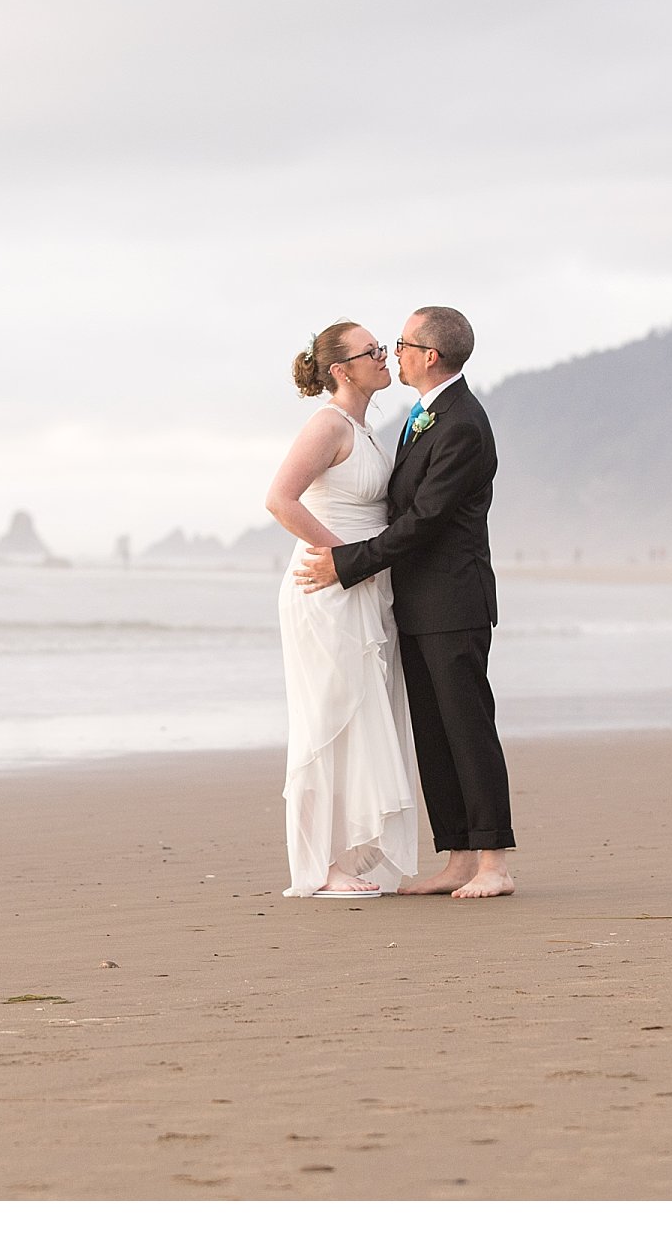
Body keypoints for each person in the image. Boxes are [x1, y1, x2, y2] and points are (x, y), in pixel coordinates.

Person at [293, 306, 516, 899]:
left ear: (429, 355)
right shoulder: (421, 416)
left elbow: (424, 521)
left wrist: (347, 563)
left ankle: (494, 862)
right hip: (413, 602)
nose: (394, 353)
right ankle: (460, 859)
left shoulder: (463, 422)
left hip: (453, 601)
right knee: (434, 733)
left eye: (401, 343)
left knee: (467, 728)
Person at [265, 322, 421, 897]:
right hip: (323, 589)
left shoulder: (367, 428)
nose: (385, 358)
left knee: (360, 716)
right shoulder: (328, 423)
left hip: (364, 587)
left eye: (384, 349)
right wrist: (342, 559)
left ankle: (349, 855)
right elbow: (279, 498)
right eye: (372, 352)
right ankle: (317, 866)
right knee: (326, 719)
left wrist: (363, 568)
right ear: (341, 369)